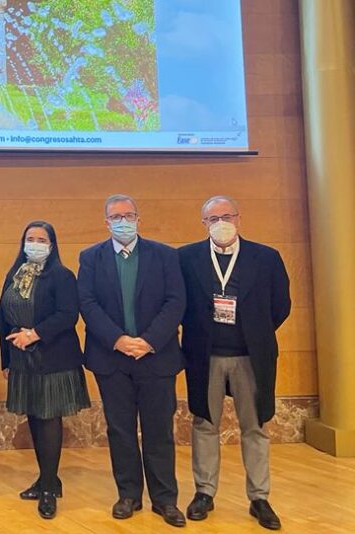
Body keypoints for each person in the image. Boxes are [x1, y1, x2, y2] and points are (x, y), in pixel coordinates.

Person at [179, 196, 291, 531]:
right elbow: (179, 303)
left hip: (250, 356)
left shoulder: (267, 257)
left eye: (227, 216)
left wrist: (254, 331)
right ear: (204, 223)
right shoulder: (185, 258)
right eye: (213, 218)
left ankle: (259, 497)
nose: (221, 222)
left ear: (239, 218)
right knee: (204, 424)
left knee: (254, 426)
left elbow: (281, 305)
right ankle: (204, 492)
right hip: (205, 356)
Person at [77, 194, 187, 528]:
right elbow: (88, 303)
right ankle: (128, 495)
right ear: (106, 222)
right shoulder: (91, 257)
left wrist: (149, 341)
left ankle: (165, 500)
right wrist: (119, 340)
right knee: (120, 430)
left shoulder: (165, 255)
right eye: (116, 216)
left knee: (159, 431)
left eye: (129, 215)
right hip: (112, 359)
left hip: (156, 356)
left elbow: (175, 301)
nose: (123, 221)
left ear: (139, 219)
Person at [0, 220, 90, 519]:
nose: (35, 243)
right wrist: (6, 360)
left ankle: (50, 488)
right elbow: (2, 317)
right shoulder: (15, 274)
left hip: (53, 358)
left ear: (51, 245)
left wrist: (34, 333)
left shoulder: (62, 276)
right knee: (35, 417)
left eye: (41, 239)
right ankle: (45, 477)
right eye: (30, 238)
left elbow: (67, 314)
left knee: (49, 417)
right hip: (22, 360)